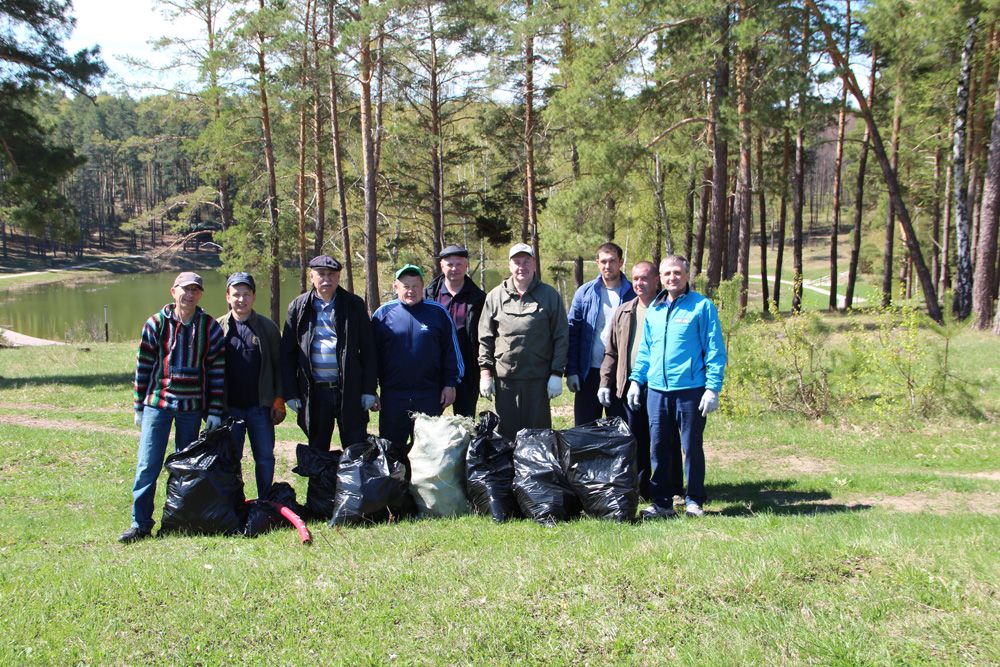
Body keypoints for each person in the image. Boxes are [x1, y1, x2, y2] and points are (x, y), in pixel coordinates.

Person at [119, 271, 225, 543]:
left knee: (187, 467)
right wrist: (138, 406)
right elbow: (143, 366)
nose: (189, 295)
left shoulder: (210, 327)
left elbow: (216, 372)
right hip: (158, 404)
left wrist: (213, 410)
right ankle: (140, 523)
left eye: (195, 290)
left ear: (200, 294)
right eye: (184, 289)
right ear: (173, 291)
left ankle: (181, 519)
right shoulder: (155, 324)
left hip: (191, 408)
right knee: (147, 465)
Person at [627, 255, 727, 518]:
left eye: (677, 273)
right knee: (658, 447)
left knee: (691, 447)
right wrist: (637, 380)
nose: (672, 278)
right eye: (667, 274)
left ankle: (693, 500)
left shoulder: (701, 307)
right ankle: (662, 502)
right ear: (660, 277)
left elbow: (714, 349)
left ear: (686, 276)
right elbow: (647, 350)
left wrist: (712, 388)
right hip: (657, 391)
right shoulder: (655, 310)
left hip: (690, 390)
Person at [281, 255, 377, 451]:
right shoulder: (299, 307)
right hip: (315, 392)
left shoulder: (354, 305)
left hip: (349, 390)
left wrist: (368, 390)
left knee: (355, 448)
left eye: (331, 275)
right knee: (317, 448)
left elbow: (368, 350)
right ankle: (320, 483)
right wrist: (291, 393)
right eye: (321, 274)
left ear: (338, 277)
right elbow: (287, 354)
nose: (326, 279)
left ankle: (353, 482)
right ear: (311, 277)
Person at [478, 243, 569, 442]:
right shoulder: (495, 296)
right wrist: (485, 373)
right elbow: (485, 337)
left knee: (538, 436)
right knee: (506, 435)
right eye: (517, 262)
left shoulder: (549, 295)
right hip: (505, 379)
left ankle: (537, 473)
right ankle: (508, 472)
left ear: (534, 264)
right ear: (510, 266)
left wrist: (556, 373)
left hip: (538, 378)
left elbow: (561, 336)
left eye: (527, 261)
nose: (522, 267)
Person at [372, 264, 463, 451]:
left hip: (429, 394)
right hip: (393, 395)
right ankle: (396, 481)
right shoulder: (382, 315)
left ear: (422, 287)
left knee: (427, 450)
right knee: (391, 449)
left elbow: (451, 351)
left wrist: (450, 383)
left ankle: (423, 481)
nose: (410, 291)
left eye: (415, 286)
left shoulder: (438, 312)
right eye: (405, 286)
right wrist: (370, 389)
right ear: (396, 287)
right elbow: (371, 356)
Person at [597, 261, 662, 501]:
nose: (639, 283)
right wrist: (605, 382)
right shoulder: (624, 311)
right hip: (628, 386)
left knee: (661, 439)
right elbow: (611, 351)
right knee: (634, 439)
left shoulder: (666, 308)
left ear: (657, 280)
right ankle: (641, 489)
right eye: (635, 279)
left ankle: (670, 487)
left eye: (644, 278)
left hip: (659, 386)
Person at [217, 272, 285, 499]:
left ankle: (264, 500)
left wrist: (278, 399)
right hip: (230, 409)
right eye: (236, 294)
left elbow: (279, 367)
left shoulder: (267, 328)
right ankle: (234, 501)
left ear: (254, 296)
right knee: (231, 458)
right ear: (227, 297)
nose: (241, 299)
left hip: (261, 408)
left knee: (265, 457)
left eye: (246, 294)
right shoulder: (218, 328)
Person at [566, 242, 635, 424]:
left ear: (621, 262)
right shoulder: (585, 293)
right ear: (597, 262)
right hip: (589, 373)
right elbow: (572, 333)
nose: (607, 266)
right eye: (603, 261)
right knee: (585, 431)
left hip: (621, 375)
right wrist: (572, 370)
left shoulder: (634, 294)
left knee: (622, 432)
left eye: (612, 261)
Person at [424, 244, 486, 417]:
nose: (454, 269)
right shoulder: (428, 296)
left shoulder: (479, 298)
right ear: (442, 267)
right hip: (435, 370)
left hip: (467, 370)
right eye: (449, 264)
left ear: (466, 266)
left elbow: (485, 336)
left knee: (465, 423)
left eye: (459, 264)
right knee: (429, 423)